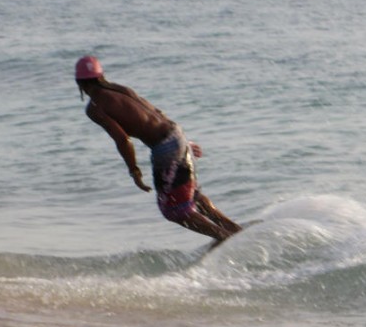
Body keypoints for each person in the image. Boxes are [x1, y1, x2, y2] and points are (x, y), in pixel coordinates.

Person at [75, 55, 242, 244]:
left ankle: (226, 238)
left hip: (166, 147)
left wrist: (134, 171)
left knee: (174, 210)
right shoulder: (121, 89)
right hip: (176, 133)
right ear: (101, 75)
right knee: (192, 196)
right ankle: (235, 231)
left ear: (79, 82)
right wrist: (183, 143)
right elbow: (157, 113)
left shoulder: (95, 107)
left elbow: (122, 139)